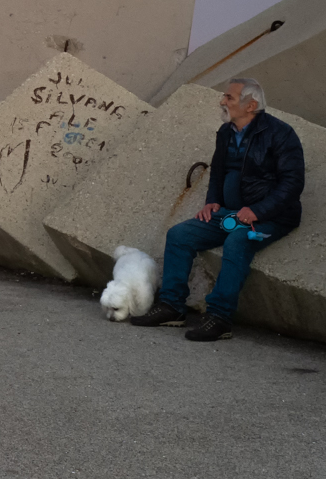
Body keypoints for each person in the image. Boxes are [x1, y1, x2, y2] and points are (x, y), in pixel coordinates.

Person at [130, 76, 304, 341]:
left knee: (238, 240)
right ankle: (172, 307)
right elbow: (218, 172)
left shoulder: (280, 134)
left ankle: (220, 317)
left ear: (250, 105)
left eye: (229, 98)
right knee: (180, 235)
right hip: (230, 214)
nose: (222, 101)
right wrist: (213, 201)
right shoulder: (226, 132)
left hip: (271, 217)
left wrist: (258, 211)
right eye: (224, 96)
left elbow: (293, 183)